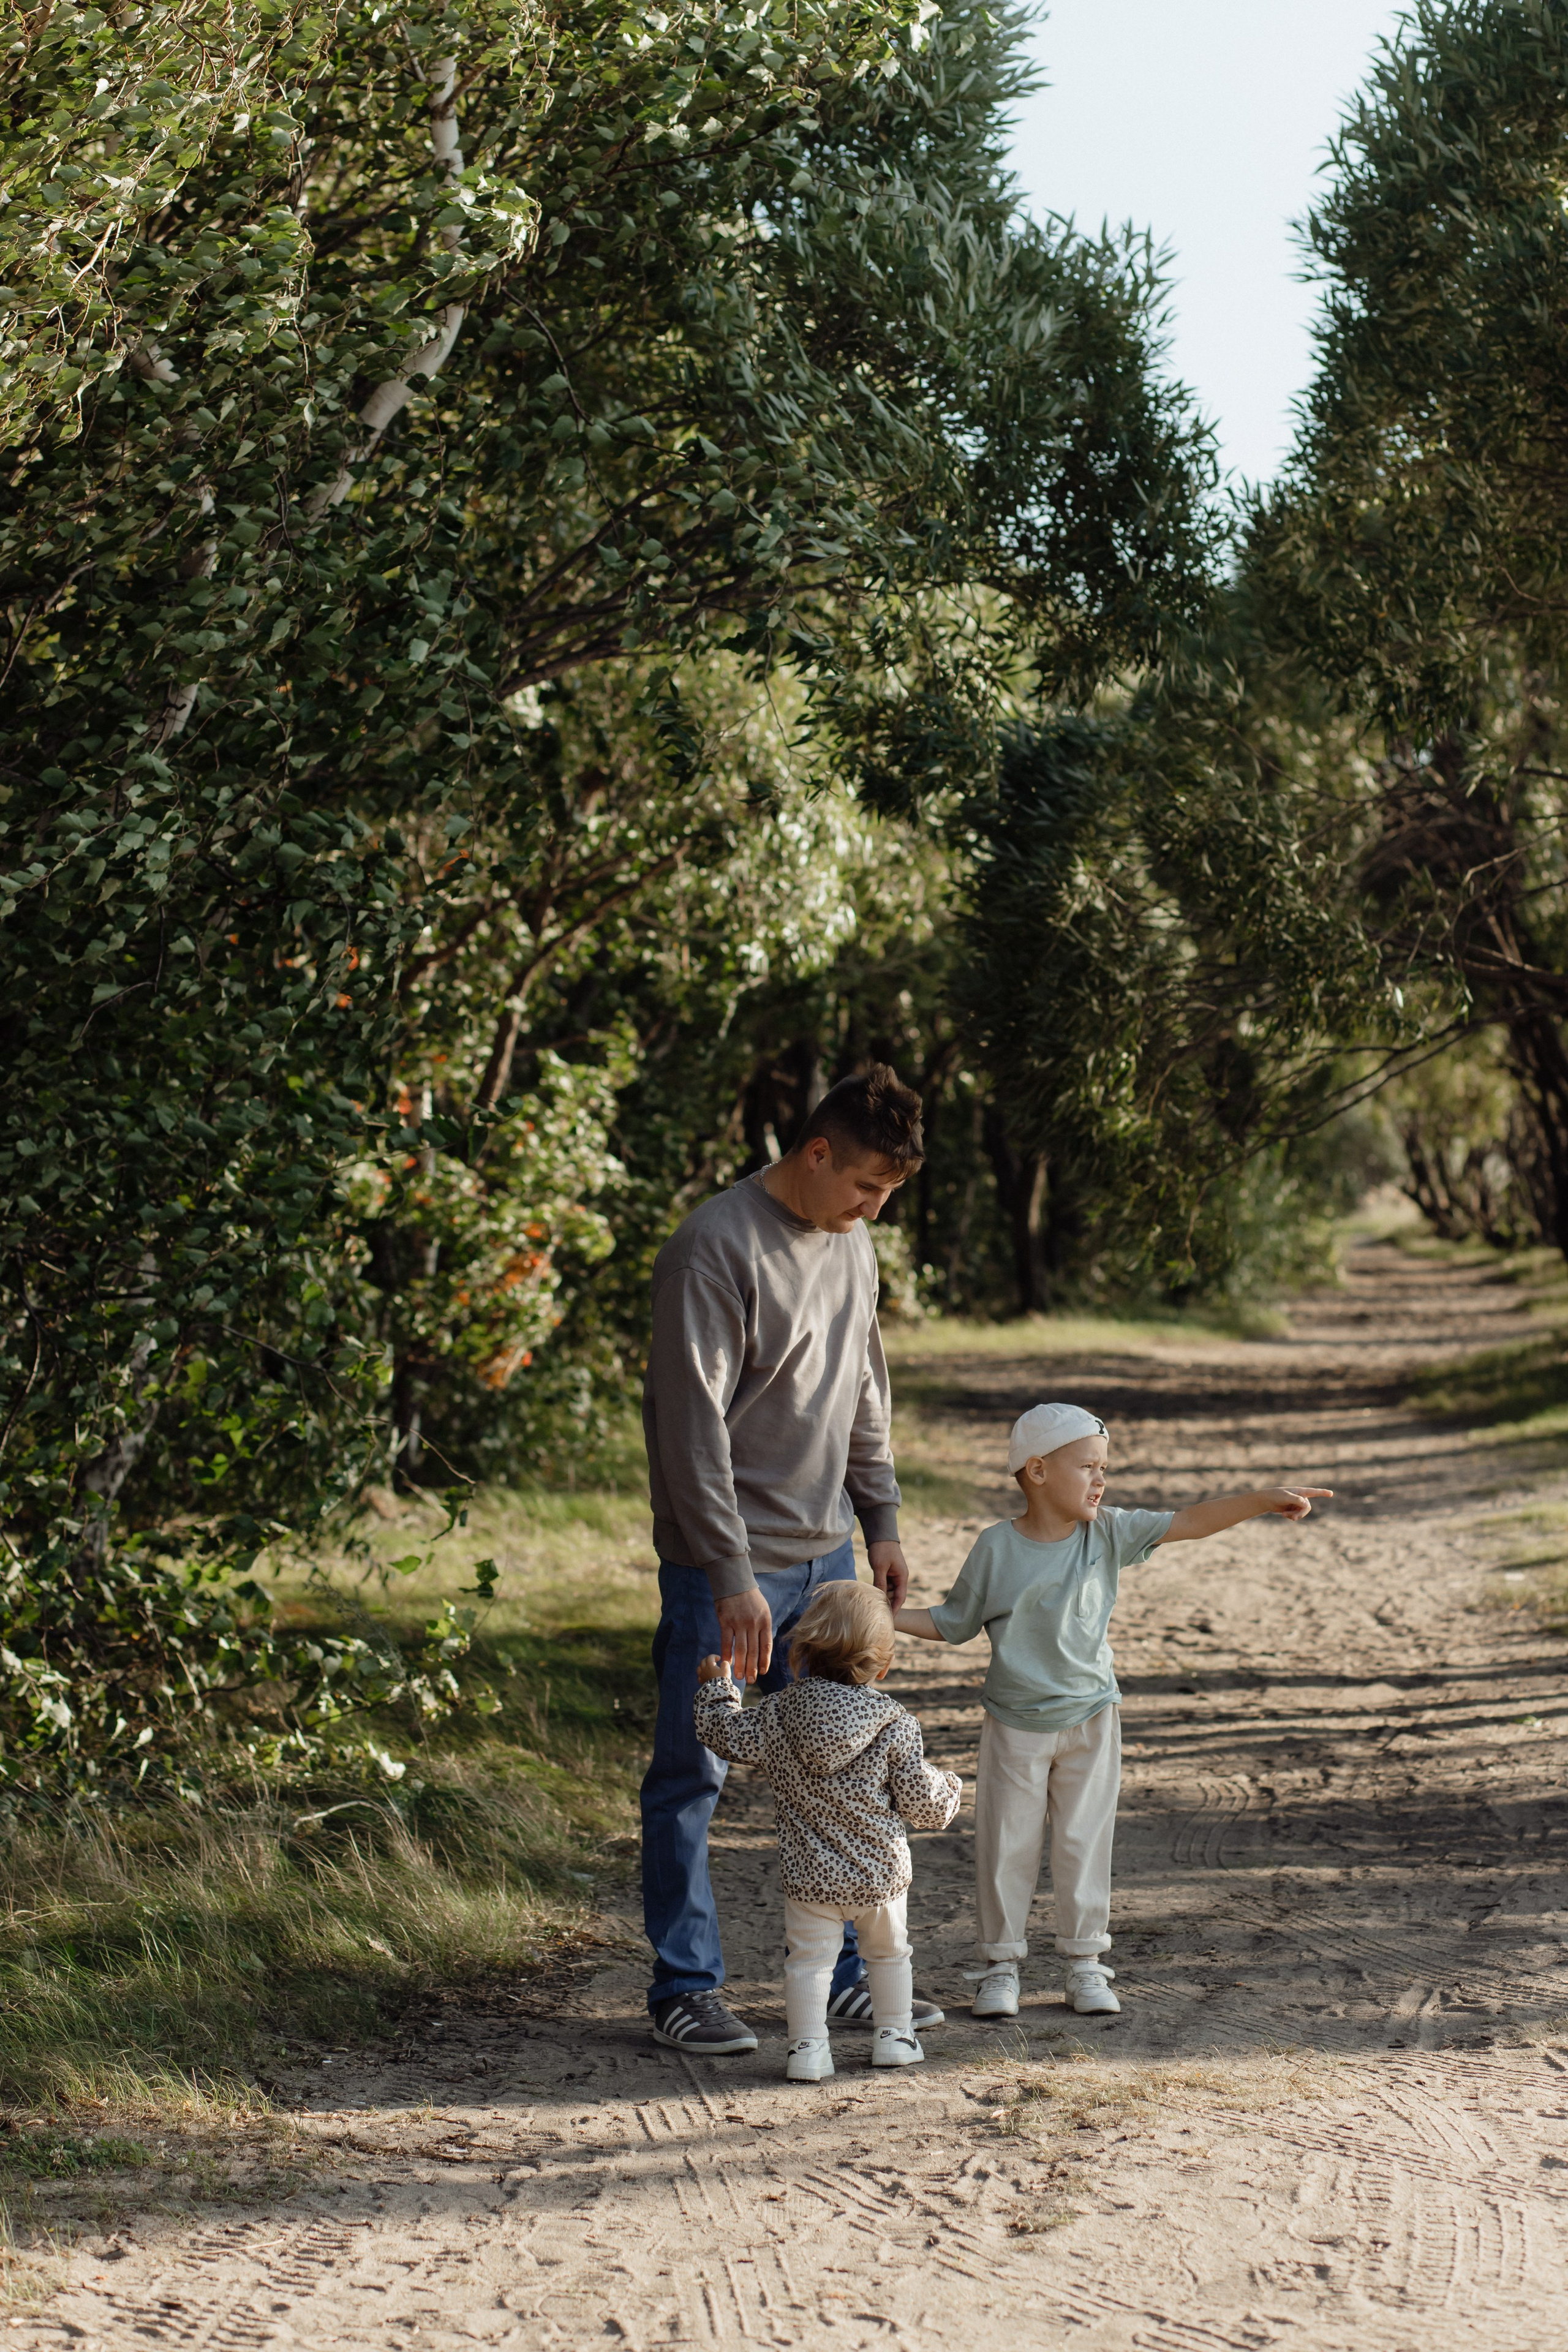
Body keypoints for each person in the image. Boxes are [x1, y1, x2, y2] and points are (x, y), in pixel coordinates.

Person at [639, 1062, 946, 2053]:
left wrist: (882, 1523)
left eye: (888, 1195)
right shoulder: (713, 1250)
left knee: (846, 1774)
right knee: (694, 1777)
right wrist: (729, 1576)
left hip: (823, 1567)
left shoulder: (850, 1246)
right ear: (815, 1153)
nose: (872, 1209)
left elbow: (863, 1394)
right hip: (722, 1574)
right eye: (865, 1186)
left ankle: (851, 1977)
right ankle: (684, 1986)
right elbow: (692, 1435)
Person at [895, 1402, 1330, 2020]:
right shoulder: (995, 1547)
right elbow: (952, 1622)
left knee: (1082, 1843)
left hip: (1092, 1719)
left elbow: (1190, 1521)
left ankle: (1084, 1964)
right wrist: (877, 1617)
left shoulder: (1110, 1533)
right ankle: (999, 1968)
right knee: (1005, 1848)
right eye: (1089, 1466)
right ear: (1038, 1471)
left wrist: (1262, 1498)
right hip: (1015, 1724)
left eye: (1105, 1467)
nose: (1102, 1479)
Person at [693, 1580, 961, 2080]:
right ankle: (895, 2037)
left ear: (801, 1656)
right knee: (889, 1955)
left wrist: (717, 1689)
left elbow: (724, 1734)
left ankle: (808, 2050)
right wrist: (950, 1787)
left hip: (810, 1877)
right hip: (879, 1876)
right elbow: (923, 1803)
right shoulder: (893, 1722)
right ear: (882, 1666)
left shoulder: (776, 1714)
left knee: (809, 1963)